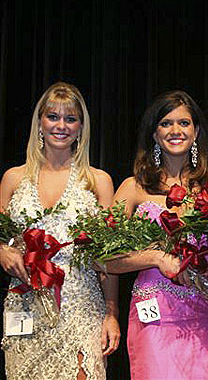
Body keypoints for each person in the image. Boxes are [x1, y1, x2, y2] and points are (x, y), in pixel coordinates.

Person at [100, 90, 208, 379]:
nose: (176, 130)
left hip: (205, 318)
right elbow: (105, 260)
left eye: (184, 123)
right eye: (166, 123)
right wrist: (155, 257)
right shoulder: (132, 188)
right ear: (154, 133)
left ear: (196, 131)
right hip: (154, 317)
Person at [0, 82, 120, 379]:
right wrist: (3, 250)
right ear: (39, 123)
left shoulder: (98, 181)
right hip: (25, 305)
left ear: (81, 127)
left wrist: (111, 314)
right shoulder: (13, 178)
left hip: (80, 307)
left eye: (71, 119)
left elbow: (109, 257)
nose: (61, 125)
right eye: (53, 116)